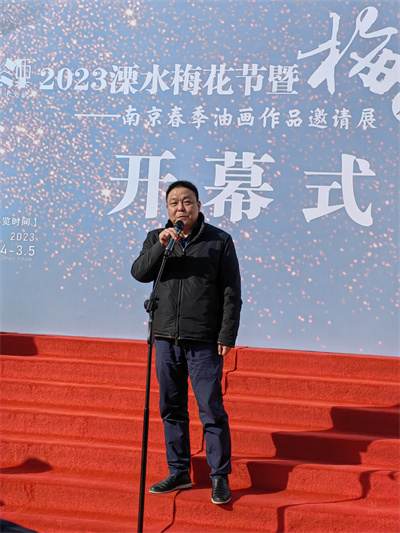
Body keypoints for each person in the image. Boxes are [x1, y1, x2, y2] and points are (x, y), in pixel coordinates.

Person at [131, 180, 242, 505]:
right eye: (174, 203)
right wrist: (160, 246)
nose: (181, 208)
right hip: (165, 337)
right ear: (167, 209)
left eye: (187, 202)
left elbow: (231, 292)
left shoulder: (219, 241)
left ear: (198, 205)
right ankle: (178, 471)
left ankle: (219, 475)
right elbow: (139, 273)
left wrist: (226, 334)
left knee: (211, 407)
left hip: (203, 339)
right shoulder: (157, 238)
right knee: (171, 407)